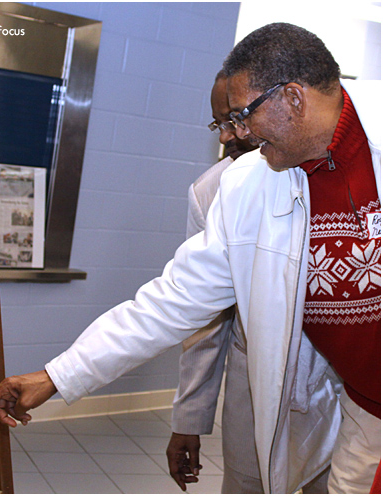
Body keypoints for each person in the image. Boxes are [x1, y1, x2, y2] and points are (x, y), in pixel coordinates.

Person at [0, 23, 380, 493]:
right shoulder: (249, 186)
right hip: (368, 403)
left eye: (244, 115)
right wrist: (56, 376)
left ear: (293, 98)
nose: (237, 134)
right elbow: (169, 303)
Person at [165, 70, 263, 493]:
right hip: (251, 387)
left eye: (236, 119)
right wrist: (189, 418)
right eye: (218, 124)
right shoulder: (210, 190)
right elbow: (203, 316)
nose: (226, 137)